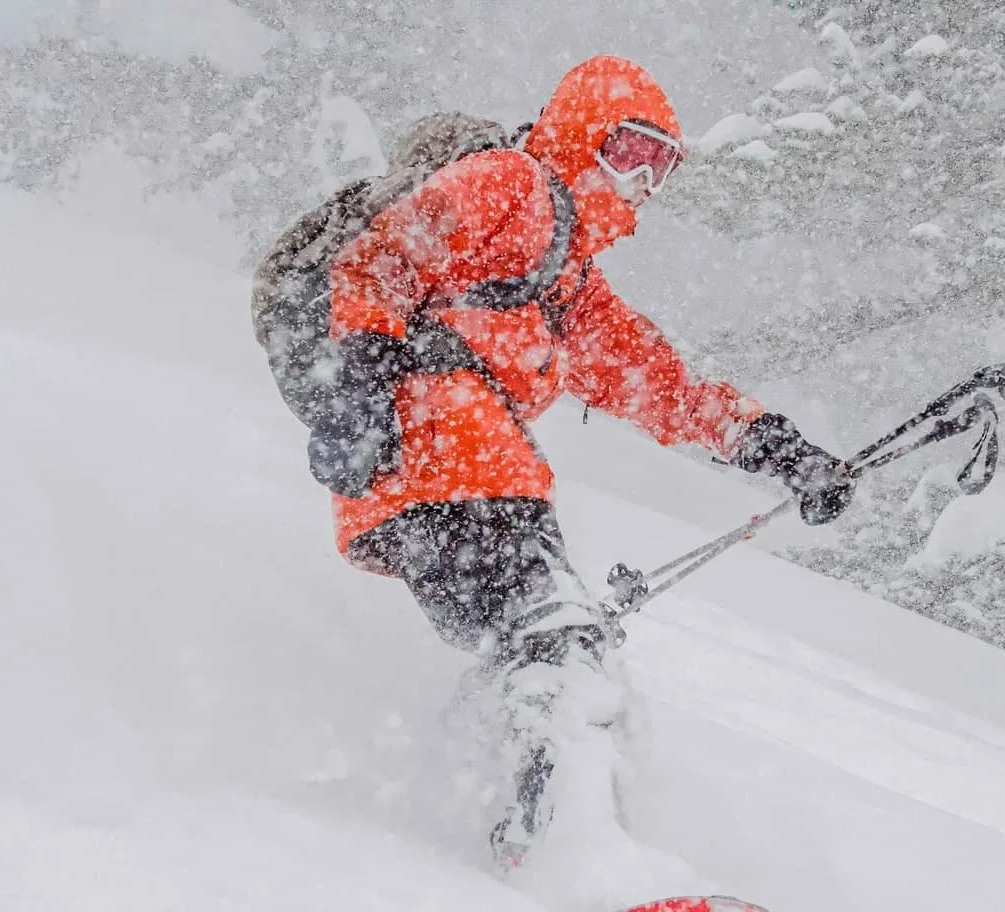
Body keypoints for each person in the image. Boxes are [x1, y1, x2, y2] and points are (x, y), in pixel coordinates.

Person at [256, 55, 854, 869]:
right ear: (581, 135)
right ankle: (561, 842)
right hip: (436, 456)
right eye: (630, 153)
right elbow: (381, 262)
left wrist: (774, 445)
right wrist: (356, 388)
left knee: (563, 648)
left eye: (661, 168)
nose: (640, 183)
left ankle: (518, 809)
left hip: (460, 486)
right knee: (556, 636)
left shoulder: (567, 285)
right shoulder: (508, 183)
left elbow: (662, 385)